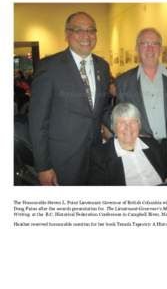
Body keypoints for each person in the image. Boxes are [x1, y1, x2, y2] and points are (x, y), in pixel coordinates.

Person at [29, 11, 110, 185]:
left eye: (91, 30)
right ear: (67, 34)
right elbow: (37, 122)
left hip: (96, 156)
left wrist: (120, 122)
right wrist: (43, 167)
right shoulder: (49, 67)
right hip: (63, 161)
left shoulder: (102, 66)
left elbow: (101, 108)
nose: (86, 35)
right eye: (78, 30)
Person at [116, 27, 167, 174]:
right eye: (144, 43)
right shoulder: (124, 81)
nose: (150, 48)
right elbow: (121, 119)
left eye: (155, 43)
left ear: (161, 48)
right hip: (141, 146)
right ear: (137, 48)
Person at [88, 103, 167, 186]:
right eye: (122, 122)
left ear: (139, 125)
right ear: (113, 126)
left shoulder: (153, 144)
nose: (128, 127)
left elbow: (166, 174)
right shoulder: (99, 155)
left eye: (133, 121)